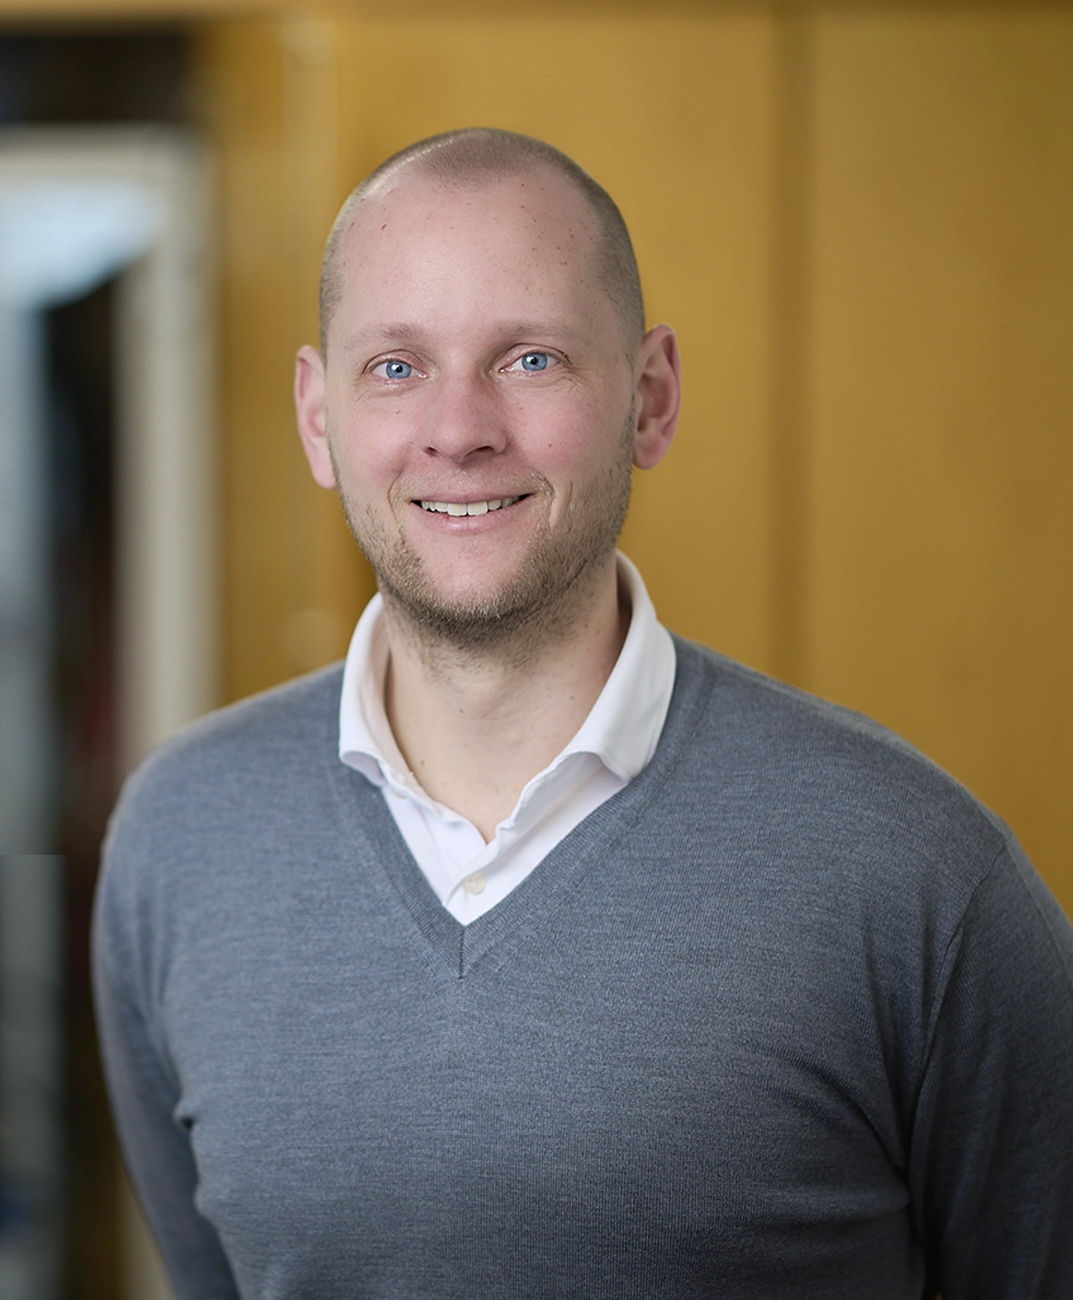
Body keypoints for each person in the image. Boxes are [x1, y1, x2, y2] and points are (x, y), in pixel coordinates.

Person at [94, 128, 1073, 1299]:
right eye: (396, 367)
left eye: (531, 359)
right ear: (319, 417)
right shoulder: (181, 837)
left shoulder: (913, 874)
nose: (457, 431)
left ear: (649, 400)